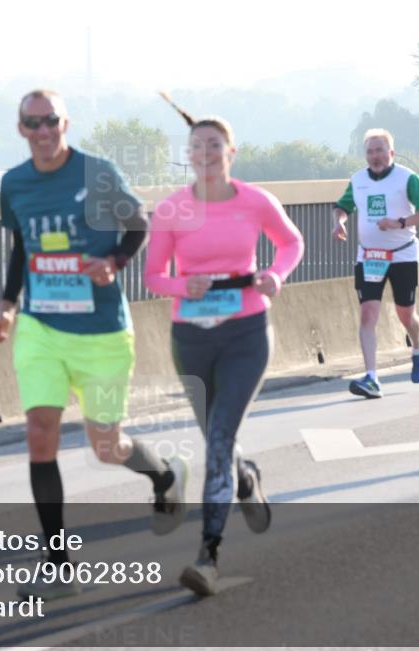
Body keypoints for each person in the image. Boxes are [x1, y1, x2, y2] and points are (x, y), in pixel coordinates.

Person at [0, 90, 188, 600]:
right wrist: (8, 306)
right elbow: (21, 248)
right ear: (21, 129)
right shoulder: (14, 184)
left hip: (101, 333)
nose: (43, 130)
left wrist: (114, 262)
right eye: (33, 123)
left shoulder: (97, 173)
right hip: (41, 328)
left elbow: (138, 224)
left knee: (105, 446)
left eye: (50, 120)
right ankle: (57, 566)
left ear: (65, 122)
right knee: (40, 432)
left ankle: (163, 476)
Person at [145, 93, 304, 596]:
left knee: (216, 440)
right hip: (190, 335)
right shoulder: (172, 209)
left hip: (245, 330)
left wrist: (275, 275)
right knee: (219, 436)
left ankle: (208, 556)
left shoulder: (255, 200)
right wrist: (179, 286)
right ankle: (246, 478)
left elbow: (292, 242)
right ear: (188, 154)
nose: (206, 153)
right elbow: (153, 276)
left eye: (216, 145)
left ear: (231, 152)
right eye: (198, 146)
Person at [332, 128, 419, 398]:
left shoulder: (407, 178)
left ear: (391, 152)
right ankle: (371, 377)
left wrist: (399, 223)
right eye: (370, 151)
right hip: (369, 257)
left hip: (402, 255)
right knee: (368, 313)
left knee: (406, 315)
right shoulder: (358, 180)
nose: (375, 156)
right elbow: (342, 206)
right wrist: (339, 223)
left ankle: (418, 347)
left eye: (380, 150)